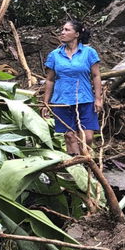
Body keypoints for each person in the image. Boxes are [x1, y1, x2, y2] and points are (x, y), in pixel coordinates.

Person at [41, 18, 104, 156]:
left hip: (85, 99)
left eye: (66, 30)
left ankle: (85, 161)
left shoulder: (89, 53)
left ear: (76, 34)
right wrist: (46, 102)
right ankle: (76, 168)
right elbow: (50, 80)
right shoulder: (55, 55)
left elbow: (96, 76)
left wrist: (98, 99)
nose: (62, 32)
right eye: (62, 30)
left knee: (87, 137)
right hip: (61, 101)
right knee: (70, 136)